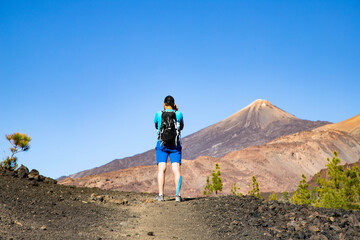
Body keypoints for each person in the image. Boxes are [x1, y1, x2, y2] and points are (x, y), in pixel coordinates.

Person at [154, 95, 184, 202]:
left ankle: (161, 195)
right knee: (176, 170)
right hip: (175, 145)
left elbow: (156, 126)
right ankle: (178, 195)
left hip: (162, 145)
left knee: (162, 169)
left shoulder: (158, 114)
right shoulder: (179, 114)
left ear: (164, 104)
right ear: (174, 104)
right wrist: (176, 110)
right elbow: (181, 127)